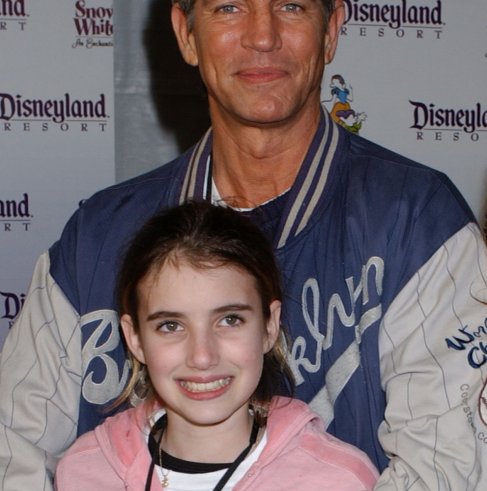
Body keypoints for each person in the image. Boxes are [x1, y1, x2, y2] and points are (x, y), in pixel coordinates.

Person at [0, 0, 487, 491]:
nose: (262, 37)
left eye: (291, 5)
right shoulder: (99, 238)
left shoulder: (417, 221)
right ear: (186, 34)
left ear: (331, 30)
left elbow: (446, 472)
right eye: (229, 6)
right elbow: (8, 450)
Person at [54, 201, 379, 490]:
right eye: (171, 326)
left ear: (269, 325)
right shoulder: (85, 471)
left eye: (229, 320)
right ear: (134, 338)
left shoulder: (339, 480)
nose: (202, 357)